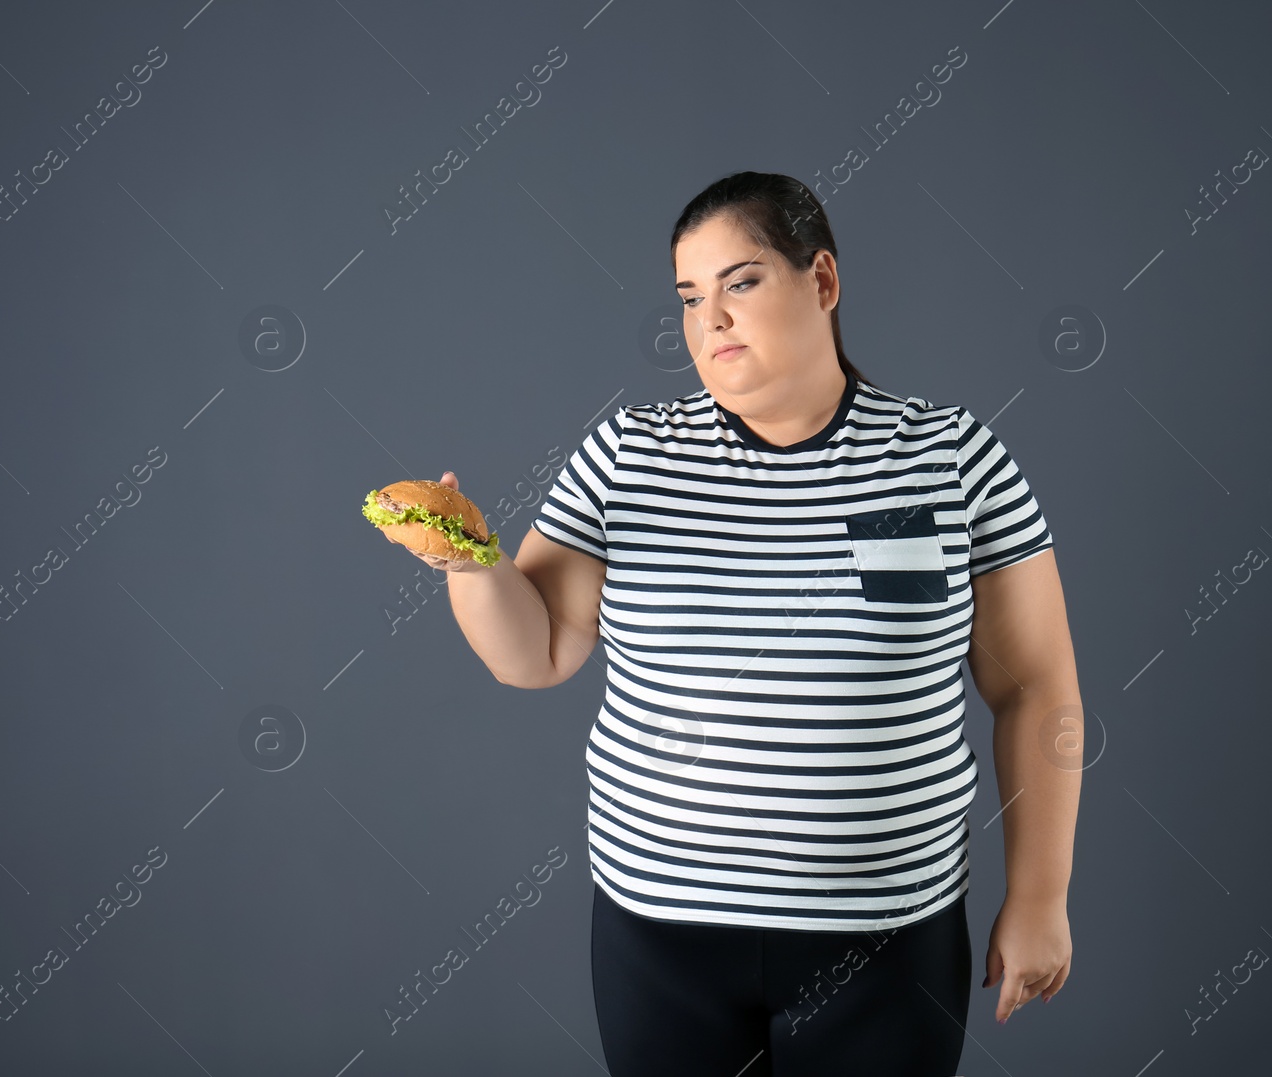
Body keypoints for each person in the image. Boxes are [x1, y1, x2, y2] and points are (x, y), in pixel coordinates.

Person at [383, 171, 1080, 1076]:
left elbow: (1037, 689)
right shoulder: (627, 455)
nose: (708, 318)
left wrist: (1040, 894)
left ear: (821, 281)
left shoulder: (950, 457)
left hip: (886, 934)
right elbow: (537, 652)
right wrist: (470, 563)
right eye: (688, 295)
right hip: (662, 935)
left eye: (740, 282)